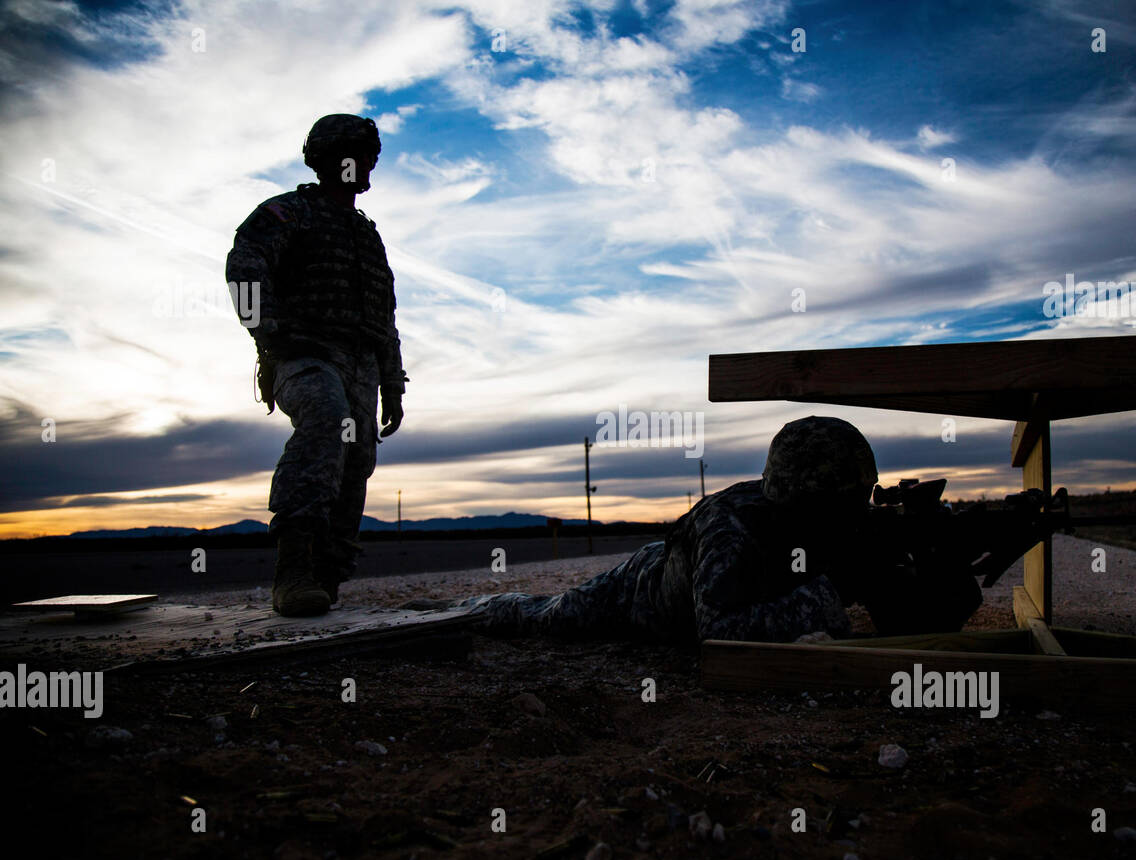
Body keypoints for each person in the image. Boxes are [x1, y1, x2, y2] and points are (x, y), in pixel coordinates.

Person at [424, 416, 983, 643]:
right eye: (842, 506)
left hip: (695, 577)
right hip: (635, 594)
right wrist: (833, 591)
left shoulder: (832, 529)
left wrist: (934, 570)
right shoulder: (731, 527)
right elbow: (716, 630)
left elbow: (913, 618)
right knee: (542, 617)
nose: (857, 518)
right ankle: (463, 610)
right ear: (805, 502)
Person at [226, 114, 407, 616]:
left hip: (362, 363)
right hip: (304, 355)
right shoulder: (288, 213)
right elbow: (244, 268)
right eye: (355, 154)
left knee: (356, 462)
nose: (366, 164)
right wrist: (270, 331)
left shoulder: (366, 236)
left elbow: (384, 316)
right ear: (326, 159)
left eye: (370, 156)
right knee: (325, 423)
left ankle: (327, 577)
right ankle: (294, 569)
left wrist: (392, 381)